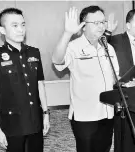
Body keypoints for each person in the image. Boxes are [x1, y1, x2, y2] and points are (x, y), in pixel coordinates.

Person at [52, 6, 119, 152]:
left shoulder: (109, 48)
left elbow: (114, 78)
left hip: (107, 112)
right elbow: (57, 61)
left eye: (103, 22)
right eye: (96, 22)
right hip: (85, 115)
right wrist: (67, 33)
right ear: (83, 26)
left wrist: (126, 80)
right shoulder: (73, 47)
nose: (101, 26)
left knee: (104, 148)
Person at [0, 8, 50, 152]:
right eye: (14, 26)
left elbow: (40, 85)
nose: (20, 29)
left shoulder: (34, 52)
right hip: (12, 123)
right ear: (2, 30)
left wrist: (45, 114)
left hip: (35, 120)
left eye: (23, 24)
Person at [105, 9, 135, 86]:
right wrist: (108, 32)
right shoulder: (117, 40)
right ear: (128, 25)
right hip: (126, 88)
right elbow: (101, 45)